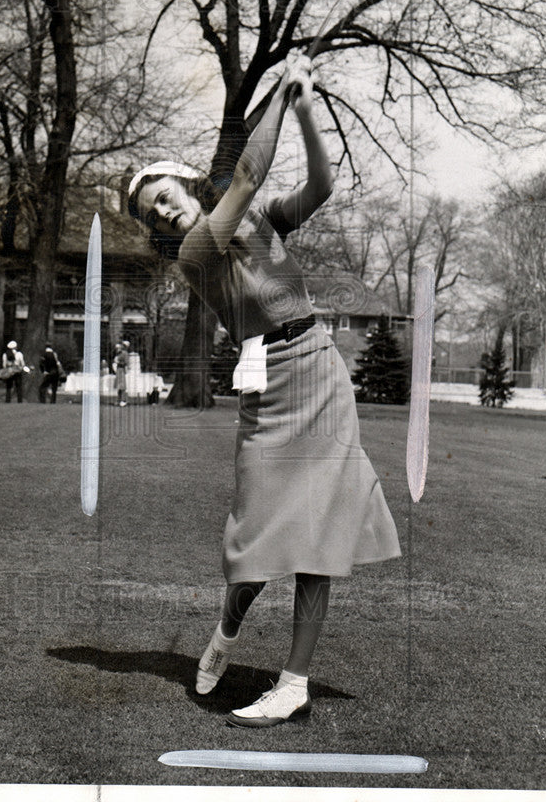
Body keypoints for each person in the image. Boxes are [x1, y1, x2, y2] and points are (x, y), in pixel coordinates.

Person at [127, 56, 401, 728]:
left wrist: (306, 111)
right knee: (255, 535)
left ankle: (293, 681)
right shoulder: (195, 249)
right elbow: (247, 173)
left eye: (164, 191)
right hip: (269, 389)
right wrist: (282, 86)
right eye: (152, 209)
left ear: (184, 183)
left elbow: (321, 187)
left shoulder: (259, 224)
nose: (164, 206)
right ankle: (226, 629)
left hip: (319, 369)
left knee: (318, 533)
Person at [112, 341, 129, 407]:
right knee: (119, 386)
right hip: (118, 370)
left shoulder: (125, 353)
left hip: (122, 370)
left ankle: (123, 400)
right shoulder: (119, 353)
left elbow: (126, 363)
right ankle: (119, 400)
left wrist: (118, 362)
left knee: (122, 386)